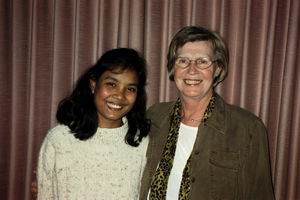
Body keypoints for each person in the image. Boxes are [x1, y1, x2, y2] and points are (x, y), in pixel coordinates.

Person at [139, 26, 275, 200]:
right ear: (173, 67)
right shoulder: (154, 116)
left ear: (218, 68)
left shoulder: (247, 129)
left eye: (202, 61)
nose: (192, 70)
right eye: (183, 61)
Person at [37, 48, 150, 200]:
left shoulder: (142, 144)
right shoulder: (59, 139)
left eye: (130, 88)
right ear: (93, 84)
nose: (119, 95)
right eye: (111, 84)